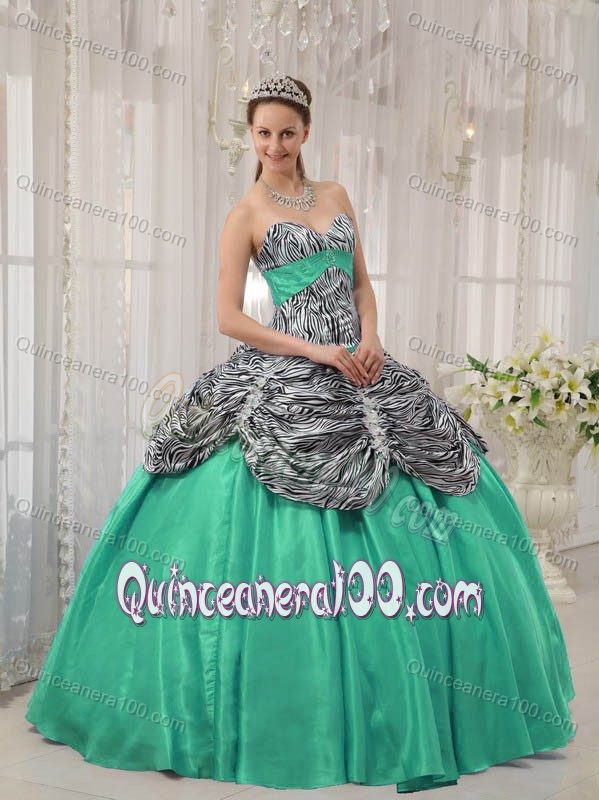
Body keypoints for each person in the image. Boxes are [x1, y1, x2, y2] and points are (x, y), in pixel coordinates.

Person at [25, 74, 576, 795]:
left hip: (363, 363)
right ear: (251, 137)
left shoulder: (337, 196)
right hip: (292, 362)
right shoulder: (245, 213)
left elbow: (361, 284)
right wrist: (316, 351)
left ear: (306, 132)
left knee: (440, 475)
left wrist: (370, 337)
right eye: (263, 133)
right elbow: (228, 316)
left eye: (286, 132)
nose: (275, 145)